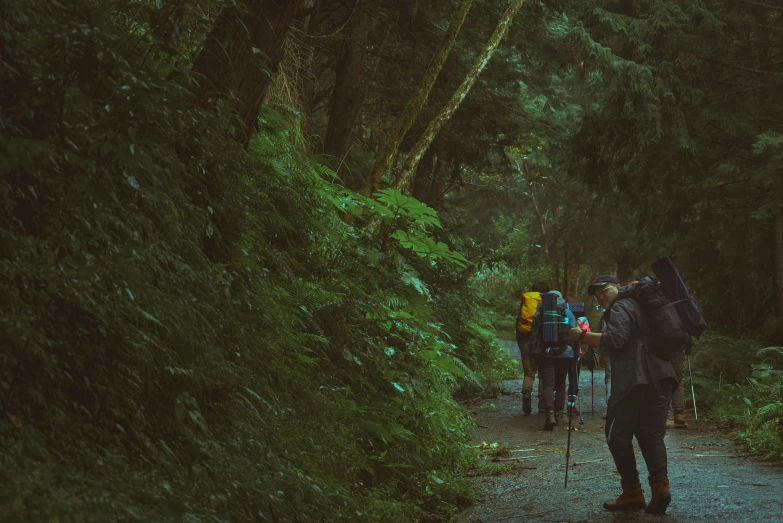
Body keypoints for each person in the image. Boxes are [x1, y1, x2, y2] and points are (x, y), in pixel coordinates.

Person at [569, 274, 678, 514]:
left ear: (618, 287)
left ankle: (632, 492)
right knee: (651, 435)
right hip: (662, 377)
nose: (600, 295)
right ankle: (661, 487)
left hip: (636, 380)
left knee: (616, 435)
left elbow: (616, 340)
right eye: (597, 294)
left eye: (604, 289)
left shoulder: (621, 306)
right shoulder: (643, 306)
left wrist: (583, 337)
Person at [529, 290, 577, 430]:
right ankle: (559, 415)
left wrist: (533, 355)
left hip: (546, 352)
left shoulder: (541, 312)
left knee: (548, 384)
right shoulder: (567, 311)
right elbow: (574, 332)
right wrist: (574, 353)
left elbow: (534, 335)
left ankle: (549, 414)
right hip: (564, 352)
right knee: (561, 384)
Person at [515, 282, 549, 415]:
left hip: (525, 338)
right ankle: (542, 403)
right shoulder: (546, 301)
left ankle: (527, 392)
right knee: (543, 372)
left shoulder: (525, 300)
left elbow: (518, 321)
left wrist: (520, 341)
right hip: (541, 340)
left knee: (529, 371)